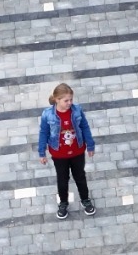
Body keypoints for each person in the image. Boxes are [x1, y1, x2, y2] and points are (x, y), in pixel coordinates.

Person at [37, 82, 95, 220]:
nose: (69, 103)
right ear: (57, 100)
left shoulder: (77, 110)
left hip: (77, 151)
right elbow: (43, 133)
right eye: (66, 100)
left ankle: (85, 200)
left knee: (80, 177)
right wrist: (41, 152)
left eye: (71, 100)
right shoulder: (48, 114)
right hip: (59, 154)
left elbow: (84, 127)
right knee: (62, 180)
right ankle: (63, 203)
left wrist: (90, 145)